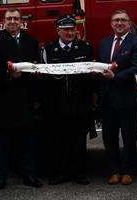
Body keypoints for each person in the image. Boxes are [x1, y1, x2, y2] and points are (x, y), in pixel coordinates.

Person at [0, 8, 42, 189]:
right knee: (1, 142)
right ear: (4, 21)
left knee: (27, 141)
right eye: (9, 18)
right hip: (2, 99)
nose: (12, 21)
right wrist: (9, 75)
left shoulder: (31, 42)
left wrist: (35, 96)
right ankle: (1, 177)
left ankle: (29, 175)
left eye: (16, 18)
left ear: (21, 21)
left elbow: (36, 68)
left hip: (24, 99)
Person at [41, 14, 97, 185]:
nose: (69, 32)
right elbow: (44, 79)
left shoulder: (85, 48)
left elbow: (91, 77)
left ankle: (79, 172)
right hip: (56, 103)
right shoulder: (48, 50)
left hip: (79, 101)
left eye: (72, 29)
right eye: (65, 30)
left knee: (78, 139)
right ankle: (59, 173)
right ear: (58, 31)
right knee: (57, 139)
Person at [98, 8, 137, 185]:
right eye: (116, 20)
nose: (119, 23)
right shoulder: (103, 43)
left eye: (123, 20)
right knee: (109, 137)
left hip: (127, 98)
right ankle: (114, 170)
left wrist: (116, 77)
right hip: (107, 99)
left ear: (129, 23)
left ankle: (127, 171)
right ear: (111, 24)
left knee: (128, 137)